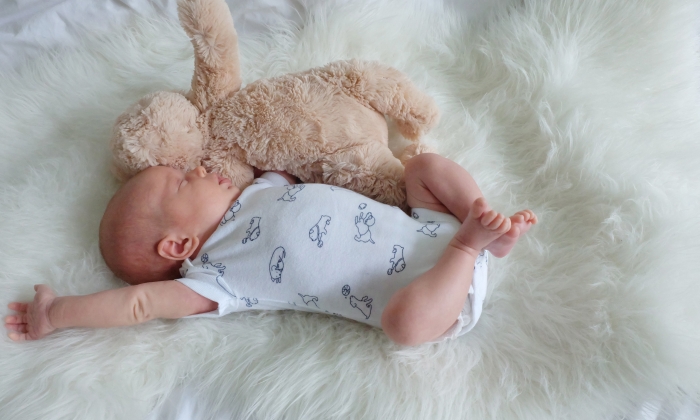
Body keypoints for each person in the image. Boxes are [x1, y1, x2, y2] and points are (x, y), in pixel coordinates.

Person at [4, 153, 536, 346]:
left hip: (431, 227)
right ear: (177, 244)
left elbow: (279, 140)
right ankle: (474, 246)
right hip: (437, 297)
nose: (201, 169)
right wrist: (57, 313)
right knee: (402, 328)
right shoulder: (211, 278)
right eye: (183, 182)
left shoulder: (260, 188)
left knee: (423, 168)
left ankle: (487, 225)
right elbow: (136, 304)